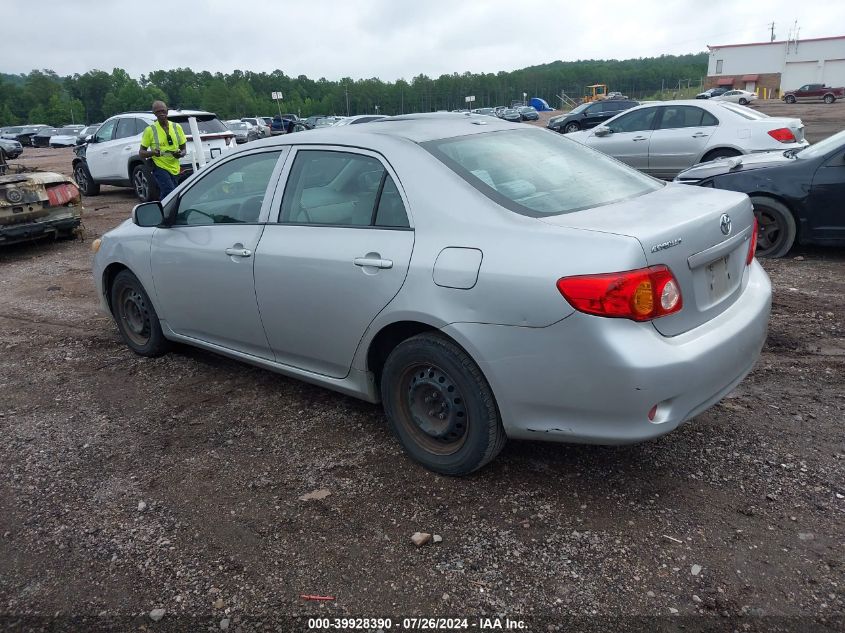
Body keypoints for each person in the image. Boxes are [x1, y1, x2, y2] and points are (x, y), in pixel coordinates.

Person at [139, 101, 187, 199]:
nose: (161, 114)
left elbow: (184, 149)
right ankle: (167, 212)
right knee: (170, 192)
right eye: (158, 112)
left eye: (163, 111)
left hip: (174, 167)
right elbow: (141, 153)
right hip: (159, 166)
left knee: (169, 193)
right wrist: (153, 152)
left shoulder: (176, 127)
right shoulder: (150, 130)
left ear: (167, 111)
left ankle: (162, 210)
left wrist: (180, 154)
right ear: (154, 113)